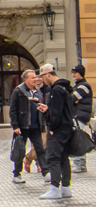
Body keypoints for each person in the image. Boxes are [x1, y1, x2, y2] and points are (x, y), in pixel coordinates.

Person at [38, 63, 75, 199]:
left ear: (48, 74)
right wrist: (48, 109)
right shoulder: (65, 88)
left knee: (53, 157)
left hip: (58, 129)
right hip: (66, 128)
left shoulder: (56, 90)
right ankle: (66, 188)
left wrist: (52, 127)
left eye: (42, 76)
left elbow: (58, 112)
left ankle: (55, 188)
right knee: (64, 157)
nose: (42, 80)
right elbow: (63, 110)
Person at [9, 69, 47, 184]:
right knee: (20, 150)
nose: (35, 79)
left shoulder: (38, 92)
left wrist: (43, 123)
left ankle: (46, 172)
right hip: (23, 126)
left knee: (40, 149)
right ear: (26, 79)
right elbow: (13, 110)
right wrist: (15, 125)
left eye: (36, 77)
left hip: (36, 127)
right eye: (32, 78)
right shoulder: (19, 91)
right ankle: (17, 174)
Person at [71, 64, 92, 174]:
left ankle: (78, 164)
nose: (73, 74)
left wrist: (74, 100)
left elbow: (72, 98)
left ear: (81, 74)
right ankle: (82, 164)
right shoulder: (79, 86)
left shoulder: (83, 86)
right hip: (79, 115)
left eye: (76, 72)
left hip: (80, 115)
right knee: (79, 137)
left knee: (77, 139)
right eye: (73, 72)